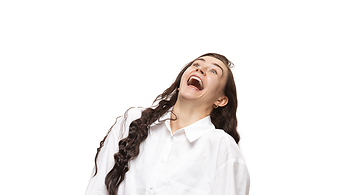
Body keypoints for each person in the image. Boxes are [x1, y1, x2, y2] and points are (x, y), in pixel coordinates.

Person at [85, 53, 250, 195]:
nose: (200, 69)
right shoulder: (131, 121)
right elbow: (98, 189)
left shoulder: (222, 146)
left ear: (220, 100)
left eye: (213, 71)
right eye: (196, 65)